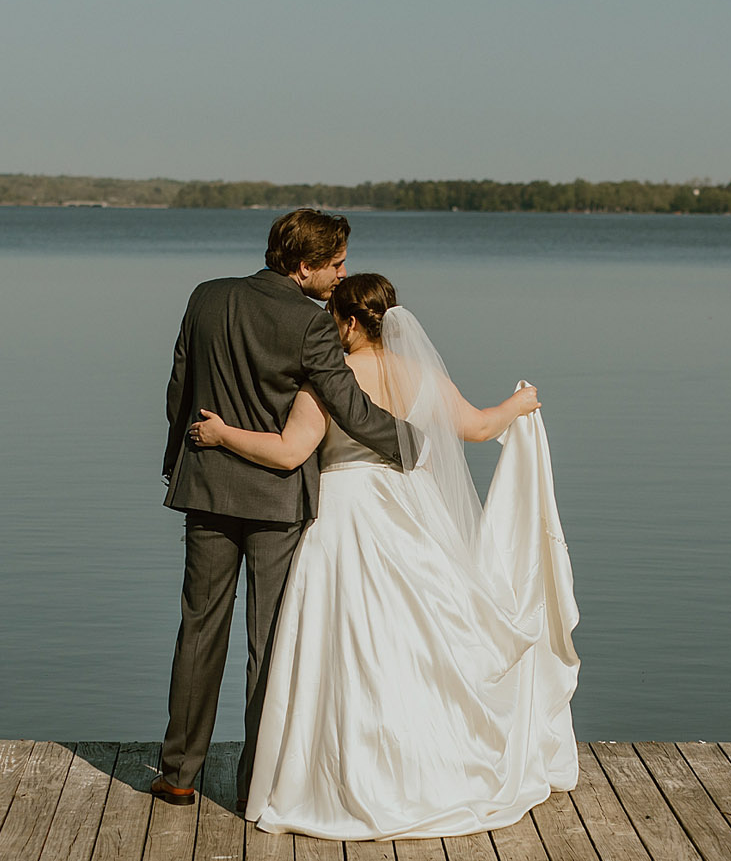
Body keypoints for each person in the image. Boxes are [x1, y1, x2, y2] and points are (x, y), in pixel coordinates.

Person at [190, 273, 580, 839]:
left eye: (331, 320)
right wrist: (518, 404)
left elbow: (288, 453)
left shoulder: (328, 380)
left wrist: (223, 435)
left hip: (345, 520)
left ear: (347, 322)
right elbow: (476, 427)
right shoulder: (421, 374)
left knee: (348, 647)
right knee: (418, 643)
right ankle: (429, 768)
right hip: (412, 518)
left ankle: (341, 777)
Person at [156, 210, 408, 808]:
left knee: (198, 631)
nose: (341, 273)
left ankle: (178, 776)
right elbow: (350, 408)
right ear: (303, 267)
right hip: (278, 501)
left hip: (207, 489)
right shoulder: (310, 324)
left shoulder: (206, 298)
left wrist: (176, 459)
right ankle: (257, 786)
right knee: (269, 643)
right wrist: (421, 444)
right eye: (336, 264)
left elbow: (179, 388)